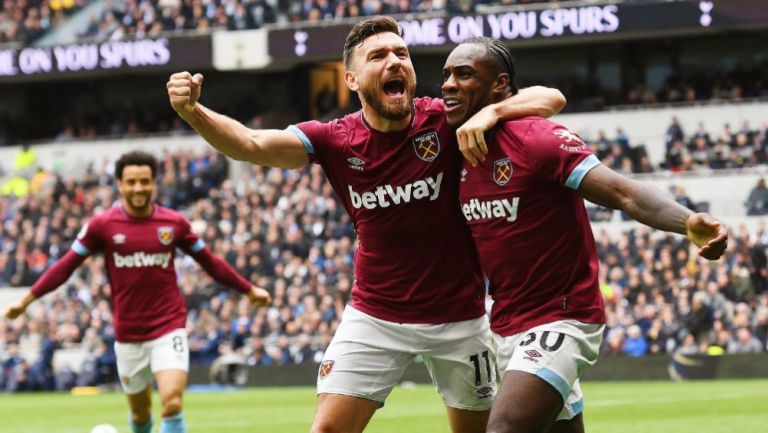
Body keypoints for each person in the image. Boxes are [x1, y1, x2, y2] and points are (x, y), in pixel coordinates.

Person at [166, 16, 564, 433]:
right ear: (352, 80)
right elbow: (250, 143)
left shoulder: (445, 118)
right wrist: (193, 111)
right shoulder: (334, 139)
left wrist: (493, 113)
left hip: (460, 320)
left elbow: (550, 97)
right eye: (378, 56)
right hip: (375, 316)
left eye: (401, 54)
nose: (394, 61)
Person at [441, 37, 728, 433]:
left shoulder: (535, 138)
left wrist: (687, 221)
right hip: (505, 324)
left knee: (502, 429)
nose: (449, 84)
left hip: (562, 318)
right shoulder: (449, 142)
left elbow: (622, 191)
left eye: (464, 73)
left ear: (499, 84)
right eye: (446, 75)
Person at [4, 151, 271, 433]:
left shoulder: (173, 223)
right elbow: (66, 266)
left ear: (154, 182)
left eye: (144, 181)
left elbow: (210, 262)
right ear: (120, 184)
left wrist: (248, 289)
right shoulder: (102, 226)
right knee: (141, 415)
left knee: (172, 403)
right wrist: (26, 300)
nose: (138, 188)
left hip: (169, 327)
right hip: (129, 335)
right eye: (131, 182)